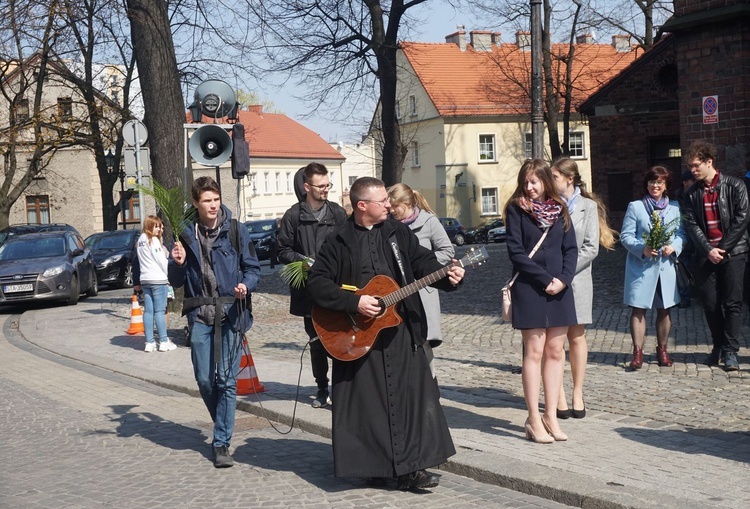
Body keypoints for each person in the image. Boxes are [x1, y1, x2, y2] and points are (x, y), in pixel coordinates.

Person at [306, 177, 465, 491]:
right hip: (359, 335)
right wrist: (355, 301)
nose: (390, 205)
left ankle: (412, 469)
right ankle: (375, 467)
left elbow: (424, 264)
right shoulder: (338, 240)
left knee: (411, 401)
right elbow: (317, 284)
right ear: (362, 206)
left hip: (401, 329)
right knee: (369, 406)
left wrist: (450, 277)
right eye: (383, 201)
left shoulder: (397, 232)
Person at [169, 176, 261, 468]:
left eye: (216, 199)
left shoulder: (236, 230)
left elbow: (253, 269)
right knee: (206, 380)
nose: (213, 205)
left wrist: (245, 285)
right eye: (206, 200)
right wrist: (178, 263)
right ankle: (222, 420)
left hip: (231, 313)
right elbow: (175, 281)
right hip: (200, 315)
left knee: (228, 382)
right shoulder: (185, 235)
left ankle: (222, 443)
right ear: (195, 204)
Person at [504, 159, 577, 444]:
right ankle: (534, 417)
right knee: (533, 352)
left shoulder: (560, 210)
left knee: (557, 351)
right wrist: (545, 279)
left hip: (560, 288)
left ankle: (551, 416)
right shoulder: (516, 210)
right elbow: (516, 252)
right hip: (530, 287)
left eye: (534, 181)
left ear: (546, 181)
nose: (530, 187)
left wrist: (564, 279)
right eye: (526, 182)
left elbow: (570, 249)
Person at [276, 162, 347, 408]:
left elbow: (349, 247)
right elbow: (282, 250)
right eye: (321, 186)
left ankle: (342, 389)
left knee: (340, 341)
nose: (326, 190)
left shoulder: (337, 214)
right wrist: (302, 260)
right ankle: (321, 388)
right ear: (307, 186)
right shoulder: (294, 215)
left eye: (328, 185)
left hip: (336, 290)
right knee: (317, 342)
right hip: (308, 292)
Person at [550, 158, 616, 420]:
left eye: (554, 176)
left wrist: (565, 273)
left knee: (576, 336)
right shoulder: (550, 205)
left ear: (569, 178)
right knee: (555, 340)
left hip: (576, 279)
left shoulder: (588, 207)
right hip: (551, 280)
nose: (551, 181)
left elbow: (591, 247)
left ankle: (577, 392)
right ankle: (559, 395)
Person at [683, 141, 750, 371]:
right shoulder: (692, 193)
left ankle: (730, 351)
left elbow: (742, 218)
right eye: (690, 166)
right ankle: (718, 346)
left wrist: (723, 248)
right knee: (710, 304)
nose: (692, 170)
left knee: (733, 303)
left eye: (696, 165)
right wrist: (708, 249)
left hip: (734, 252)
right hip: (706, 254)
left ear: (709, 162)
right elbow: (691, 225)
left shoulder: (735, 185)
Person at [621, 166, 685, 370]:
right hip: (641, 267)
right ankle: (637, 352)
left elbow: (682, 234)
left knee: (664, 309)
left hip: (665, 268)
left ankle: (662, 350)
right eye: (651, 182)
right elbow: (625, 236)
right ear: (646, 184)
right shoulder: (636, 207)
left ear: (666, 185)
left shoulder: (675, 207)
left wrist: (673, 247)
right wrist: (643, 248)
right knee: (638, 309)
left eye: (659, 182)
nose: (655, 186)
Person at [388, 183, 454, 378]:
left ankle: (429, 388)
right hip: (396, 292)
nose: (391, 210)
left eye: (395, 207)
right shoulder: (389, 225)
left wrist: (423, 265)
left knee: (423, 340)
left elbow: (448, 251)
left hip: (423, 291)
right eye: (389, 206)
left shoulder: (429, 222)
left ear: (407, 203)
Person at [137, 215, 177, 353]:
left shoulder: (141, 239)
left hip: (145, 279)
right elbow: (161, 260)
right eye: (157, 226)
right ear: (150, 226)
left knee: (148, 311)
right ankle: (164, 341)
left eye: (160, 226)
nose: (159, 229)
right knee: (160, 311)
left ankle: (149, 342)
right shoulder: (152, 240)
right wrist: (170, 274)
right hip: (158, 279)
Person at [675, 171, 697, 308]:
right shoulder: (677, 198)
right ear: (685, 182)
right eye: (692, 181)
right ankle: (684, 296)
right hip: (684, 237)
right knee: (682, 268)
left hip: (697, 236)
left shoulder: (696, 194)